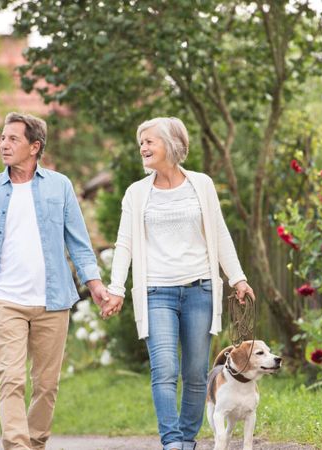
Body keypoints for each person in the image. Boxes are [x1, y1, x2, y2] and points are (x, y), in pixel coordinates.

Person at [103, 117, 255, 450]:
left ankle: (187, 439)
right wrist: (116, 288)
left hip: (200, 289)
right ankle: (171, 442)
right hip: (156, 292)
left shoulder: (201, 184)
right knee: (164, 369)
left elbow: (219, 232)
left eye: (149, 141)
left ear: (171, 144)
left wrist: (238, 277)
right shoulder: (136, 193)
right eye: (140, 142)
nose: (142, 147)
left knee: (197, 372)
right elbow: (124, 243)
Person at [0, 112, 109, 450]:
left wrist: (95, 283)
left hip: (52, 301)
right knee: (9, 378)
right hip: (5, 300)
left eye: (13, 139)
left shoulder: (60, 186)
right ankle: (17, 446)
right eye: (2, 138)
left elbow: (79, 242)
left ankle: (36, 441)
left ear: (34, 146)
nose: (4, 144)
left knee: (46, 384)